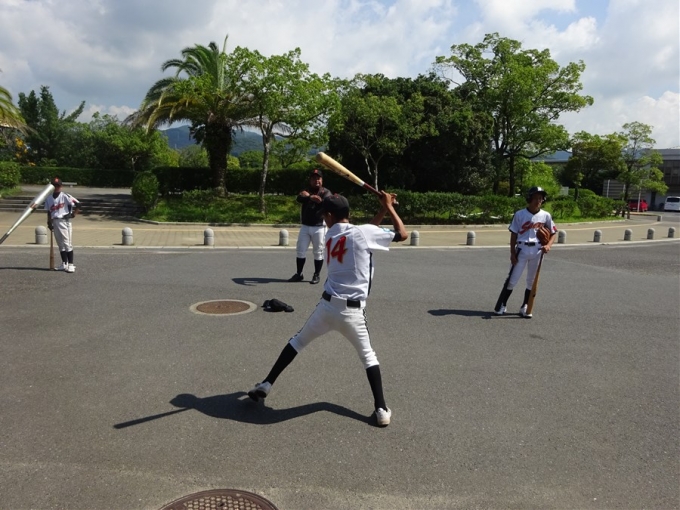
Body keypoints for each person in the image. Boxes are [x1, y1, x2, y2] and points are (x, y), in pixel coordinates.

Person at [249, 191, 408, 426]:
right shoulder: (361, 233)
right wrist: (389, 207)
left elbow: (367, 231)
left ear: (331, 216)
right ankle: (381, 409)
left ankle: (266, 383)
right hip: (353, 313)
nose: (324, 218)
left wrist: (383, 208)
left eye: (325, 215)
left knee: (297, 342)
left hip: (326, 307)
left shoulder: (332, 234)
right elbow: (402, 234)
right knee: (368, 356)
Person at [494, 186, 556, 318]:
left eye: (541, 198)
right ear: (529, 198)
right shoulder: (520, 214)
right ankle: (502, 304)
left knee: (531, 281)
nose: (538, 201)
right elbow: (514, 234)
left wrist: (548, 245)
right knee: (512, 279)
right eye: (536, 198)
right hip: (521, 249)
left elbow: (553, 232)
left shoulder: (546, 215)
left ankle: (525, 306)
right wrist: (512, 253)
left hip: (537, 250)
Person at [288, 168, 332, 284]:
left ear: (322, 180)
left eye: (318, 178)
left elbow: (328, 203)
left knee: (318, 251)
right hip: (305, 226)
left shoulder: (326, 192)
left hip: (319, 226)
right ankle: (299, 274)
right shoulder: (306, 190)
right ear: (310, 180)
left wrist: (318, 200)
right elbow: (299, 198)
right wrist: (310, 197)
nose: (316, 180)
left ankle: (316, 275)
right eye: (313, 178)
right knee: (300, 250)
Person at [45, 177, 80, 273]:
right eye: (54, 186)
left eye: (58, 185)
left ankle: (71, 264)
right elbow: (49, 211)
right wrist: (49, 222)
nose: (56, 187)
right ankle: (64, 263)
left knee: (67, 243)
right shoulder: (48, 198)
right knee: (60, 244)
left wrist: (73, 214)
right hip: (55, 221)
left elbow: (78, 204)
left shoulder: (65, 196)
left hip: (64, 221)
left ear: (61, 186)